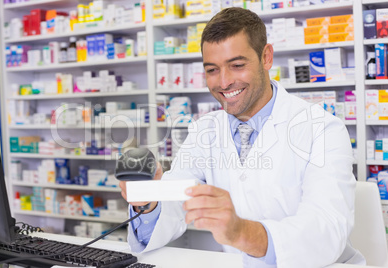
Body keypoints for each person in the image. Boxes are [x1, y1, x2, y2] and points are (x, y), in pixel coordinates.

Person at [119, 7, 365, 267]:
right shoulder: (205, 131)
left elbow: (326, 229)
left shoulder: (323, 129)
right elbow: (177, 202)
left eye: (237, 65)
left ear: (266, 57)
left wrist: (241, 232)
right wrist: (147, 202)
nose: (224, 82)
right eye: (212, 70)